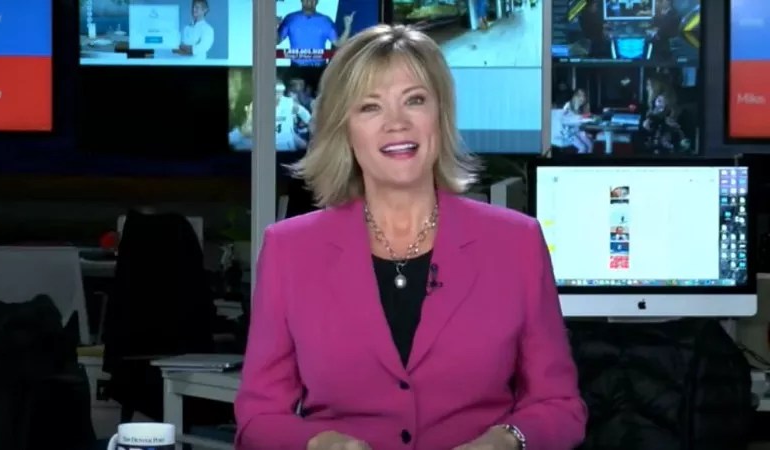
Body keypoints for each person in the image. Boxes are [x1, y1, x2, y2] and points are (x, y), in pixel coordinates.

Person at [234, 24, 587, 450]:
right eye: (370, 107)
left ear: (440, 115)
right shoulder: (290, 250)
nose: (397, 123)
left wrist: (505, 440)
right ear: (344, 129)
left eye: (414, 100)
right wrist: (320, 443)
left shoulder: (517, 243)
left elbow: (559, 405)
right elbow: (258, 417)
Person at [277, 0, 355, 66]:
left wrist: (347, 27)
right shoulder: (290, 18)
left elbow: (339, 44)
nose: (309, 2)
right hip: (296, 68)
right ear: (301, 0)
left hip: (319, 68)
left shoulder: (326, 21)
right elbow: (277, 41)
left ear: (317, 1)